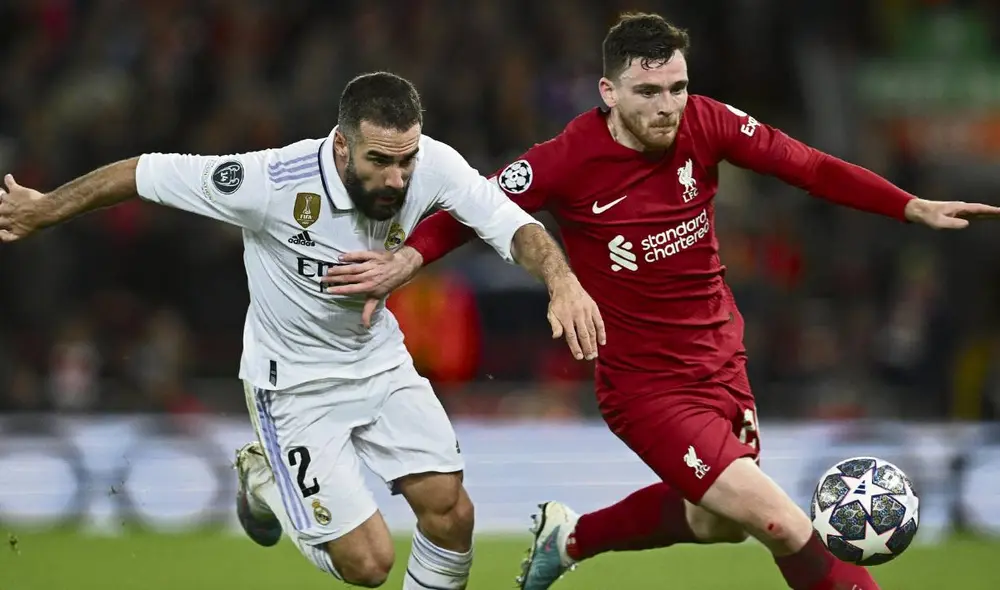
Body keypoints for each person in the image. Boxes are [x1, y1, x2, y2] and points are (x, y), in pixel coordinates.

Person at [320, 14, 1000, 590]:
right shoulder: (564, 159)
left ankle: (573, 538)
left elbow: (810, 167)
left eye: (676, 86)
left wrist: (908, 205)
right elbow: (473, 210)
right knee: (783, 524)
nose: (667, 106)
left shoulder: (706, 124)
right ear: (609, 92)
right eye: (648, 91)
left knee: (715, 523)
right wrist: (404, 261)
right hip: (646, 388)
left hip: (720, 362)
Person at [0, 71, 603, 589]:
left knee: (452, 515)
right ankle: (263, 479)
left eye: (406, 160)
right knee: (370, 563)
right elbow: (143, 172)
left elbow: (514, 225)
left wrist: (562, 279)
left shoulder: (434, 167)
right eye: (380, 161)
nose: (397, 179)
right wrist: (45, 208)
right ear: (342, 148)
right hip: (291, 386)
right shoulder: (270, 182)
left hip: (378, 361)